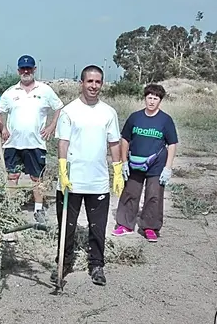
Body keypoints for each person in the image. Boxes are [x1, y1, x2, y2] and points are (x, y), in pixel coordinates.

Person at [50, 65, 125, 287]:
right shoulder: (69, 111)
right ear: (81, 83)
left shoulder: (108, 112)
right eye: (89, 81)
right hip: (71, 180)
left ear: (102, 84)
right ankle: (63, 263)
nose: (93, 86)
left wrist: (118, 171)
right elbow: (62, 142)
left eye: (97, 82)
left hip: (98, 181)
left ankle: (96, 265)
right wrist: (62, 170)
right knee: (67, 226)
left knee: (97, 226)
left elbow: (114, 143)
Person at [0, 54, 64, 223]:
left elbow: (59, 108)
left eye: (29, 68)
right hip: (13, 143)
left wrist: (51, 126)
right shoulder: (10, 92)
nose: (26, 71)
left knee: (36, 178)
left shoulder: (45, 90)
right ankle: (11, 209)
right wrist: (3, 127)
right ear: (18, 70)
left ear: (34, 69)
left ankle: (38, 210)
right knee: (13, 176)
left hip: (36, 143)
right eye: (23, 68)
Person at [111, 83, 178, 242]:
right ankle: (125, 225)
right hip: (135, 163)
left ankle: (150, 227)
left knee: (154, 195)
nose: (152, 101)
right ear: (145, 98)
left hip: (156, 165)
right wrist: (124, 161)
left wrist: (168, 168)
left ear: (160, 101)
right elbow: (125, 139)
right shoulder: (135, 117)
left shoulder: (165, 120)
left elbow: (172, 144)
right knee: (130, 193)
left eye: (155, 98)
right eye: (149, 97)